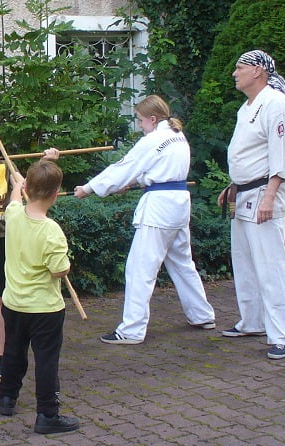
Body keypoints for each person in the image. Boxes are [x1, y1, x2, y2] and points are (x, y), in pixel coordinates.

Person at [73, 95, 215, 345]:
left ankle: (132, 330)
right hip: (179, 204)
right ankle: (202, 315)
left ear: (152, 118)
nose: (139, 125)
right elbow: (157, 170)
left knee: (140, 269)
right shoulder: (177, 135)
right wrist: (135, 182)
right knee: (182, 263)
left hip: (159, 209)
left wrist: (89, 187)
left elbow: (125, 165)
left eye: (140, 120)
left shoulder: (154, 139)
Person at [217, 50, 285, 360]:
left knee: (270, 265)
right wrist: (234, 185)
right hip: (245, 193)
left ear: (259, 71)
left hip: (266, 193)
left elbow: (280, 156)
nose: (235, 73)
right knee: (245, 261)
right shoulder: (247, 106)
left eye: (240, 67)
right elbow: (248, 153)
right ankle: (252, 321)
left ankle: (282, 337)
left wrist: (269, 195)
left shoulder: (277, 105)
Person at [0, 159, 79, 435]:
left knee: (13, 352)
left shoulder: (13, 215)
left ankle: (7, 398)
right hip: (44, 309)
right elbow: (59, 271)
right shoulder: (51, 231)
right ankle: (47, 415)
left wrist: (17, 187)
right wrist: (66, 264)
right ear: (56, 194)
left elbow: (13, 201)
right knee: (46, 361)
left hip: (14, 304)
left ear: (27, 188)